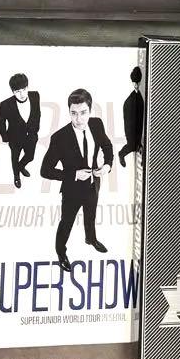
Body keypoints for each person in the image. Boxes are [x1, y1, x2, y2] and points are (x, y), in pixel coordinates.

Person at [41, 88, 113, 270]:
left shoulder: (96, 124)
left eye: (83, 113)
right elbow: (45, 170)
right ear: (69, 111)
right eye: (73, 113)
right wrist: (73, 174)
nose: (78, 119)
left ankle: (91, 239)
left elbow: (107, 146)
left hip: (93, 185)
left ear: (90, 110)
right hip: (71, 191)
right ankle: (61, 252)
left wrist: (107, 165)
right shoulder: (59, 138)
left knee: (91, 216)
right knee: (66, 222)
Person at [0, 73, 40, 189]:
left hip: (31, 135)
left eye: (24, 90)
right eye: (17, 91)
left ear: (27, 87)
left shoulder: (35, 96)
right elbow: (0, 122)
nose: (22, 94)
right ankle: (16, 176)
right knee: (14, 158)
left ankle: (21, 167)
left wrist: (36, 129)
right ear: (13, 92)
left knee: (30, 156)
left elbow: (37, 113)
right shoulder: (5, 104)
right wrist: (5, 138)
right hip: (14, 138)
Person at [119, 66, 144, 167]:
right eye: (134, 83)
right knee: (132, 146)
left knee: (137, 145)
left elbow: (140, 116)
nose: (136, 85)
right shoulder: (129, 100)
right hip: (131, 127)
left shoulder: (139, 98)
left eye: (137, 83)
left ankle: (143, 159)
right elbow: (127, 119)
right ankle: (121, 154)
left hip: (138, 126)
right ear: (132, 83)